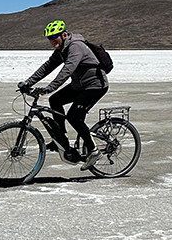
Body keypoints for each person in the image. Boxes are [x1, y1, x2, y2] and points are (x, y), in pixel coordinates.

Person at [21, 20, 109, 169]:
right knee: (55, 100)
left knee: (74, 116)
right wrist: (28, 83)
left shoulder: (76, 46)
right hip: (79, 85)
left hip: (95, 85)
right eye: (49, 38)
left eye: (54, 36)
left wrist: (50, 87)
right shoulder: (61, 49)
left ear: (63, 35)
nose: (52, 40)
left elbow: (67, 70)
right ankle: (61, 138)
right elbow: (47, 67)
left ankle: (94, 151)